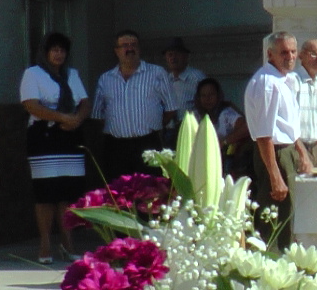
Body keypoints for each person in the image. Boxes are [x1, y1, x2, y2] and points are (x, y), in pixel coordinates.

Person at [19, 32, 91, 265]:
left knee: (68, 194)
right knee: (46, 194)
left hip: (70, 137)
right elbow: (31, 105)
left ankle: (68, 243)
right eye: (54, 50)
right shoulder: (33, 74)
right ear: (45, 52)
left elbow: (84, 102)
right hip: (44, 137)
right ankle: (45, 244)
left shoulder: (72, 74)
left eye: (62, 50)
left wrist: (76, 120)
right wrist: (61, 117)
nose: (58, 54)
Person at [91, 30, 176, 179]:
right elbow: (98, 115)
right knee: (118, 193)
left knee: (150, 191)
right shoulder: (106, 79)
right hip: (116, 147)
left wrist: (152, 125)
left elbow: (171, 108)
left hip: (148, 143)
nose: (130, 49)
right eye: (124, 45)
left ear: (139, 48)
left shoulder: (157, 73)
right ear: (116, 51)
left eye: (133, 45)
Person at [244, 31, 300, 249]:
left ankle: (284, 260)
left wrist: (301, 154)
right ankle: (272, 262)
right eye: (284, 52)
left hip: (286, 151)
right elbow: (264, 134)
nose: (290, 56)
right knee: (275, 216)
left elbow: (290, 126)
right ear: (270, 54)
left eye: (293, 51)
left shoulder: (285, 80)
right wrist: (275, 175)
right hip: (273, 153)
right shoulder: (267, 83)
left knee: (288, 214)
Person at [193, 78, 250, 178]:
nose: (207, 99)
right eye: (203, 96)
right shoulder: (195, 116)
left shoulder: (226, 113)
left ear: (218, 96)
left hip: (226, 160)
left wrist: (224, 142)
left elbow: (246, 127)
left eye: (211, 95)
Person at [293, 38, 317, 170]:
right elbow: (288, 123)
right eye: (313, 54)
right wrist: (302, 154)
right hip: (296, 147)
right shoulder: (293, 81)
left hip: (314, 148)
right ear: (301, 55)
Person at [161, 38, 205, 129]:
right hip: (169, 130)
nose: (173, 58)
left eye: (177, 54)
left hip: (192, 128)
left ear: (186, 56)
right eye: (170, 55)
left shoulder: (197, 78)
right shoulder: (165, 80)